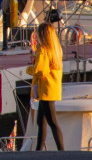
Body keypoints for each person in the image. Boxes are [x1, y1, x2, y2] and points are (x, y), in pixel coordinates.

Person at [26, 22, 65, 151]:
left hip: (45, 89)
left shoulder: (43, 50)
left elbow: (40, 70)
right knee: (40, 121)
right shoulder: (56, 49)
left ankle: (61, 150)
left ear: (42, 34)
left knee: (52, 122)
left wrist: (29, 69)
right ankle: (39, 149)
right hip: (52, 87)